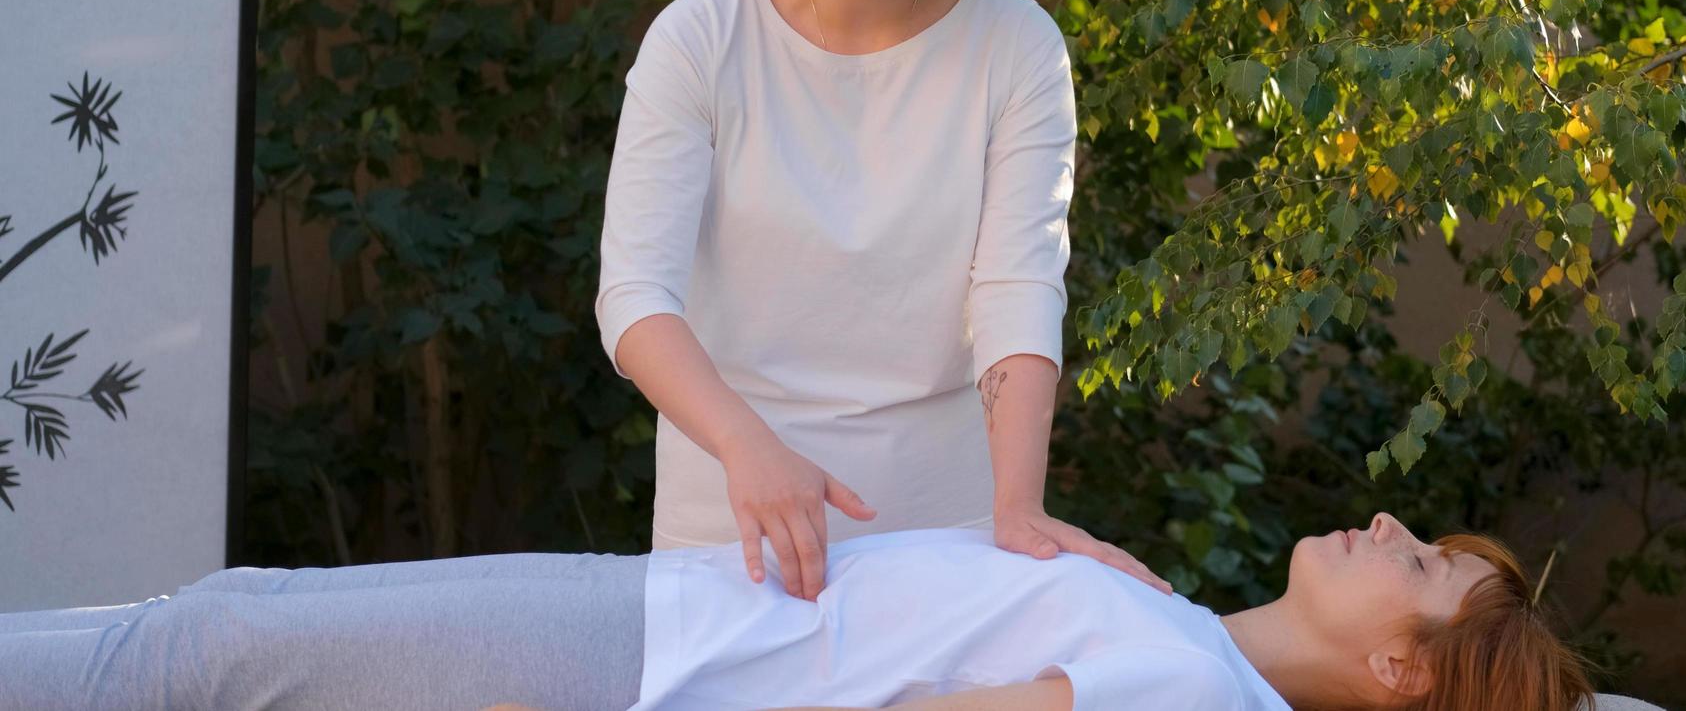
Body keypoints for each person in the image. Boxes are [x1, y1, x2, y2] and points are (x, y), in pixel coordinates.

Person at [595, 0, 1166, 601]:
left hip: (948, 519)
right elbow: (634, 296)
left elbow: (1017, 282)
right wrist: (750, 448)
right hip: (733, 511)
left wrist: (1017, 507)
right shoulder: (703, 37)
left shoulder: (1015, 48)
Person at [0, 513, 1594, 710]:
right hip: (655, 621)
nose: (1386, 526)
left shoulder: (1181, 700)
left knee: (213, 655)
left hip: (631, 675)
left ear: (1399, 668)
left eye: (1418, 562)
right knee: (213, 632)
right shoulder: (1168, 628)